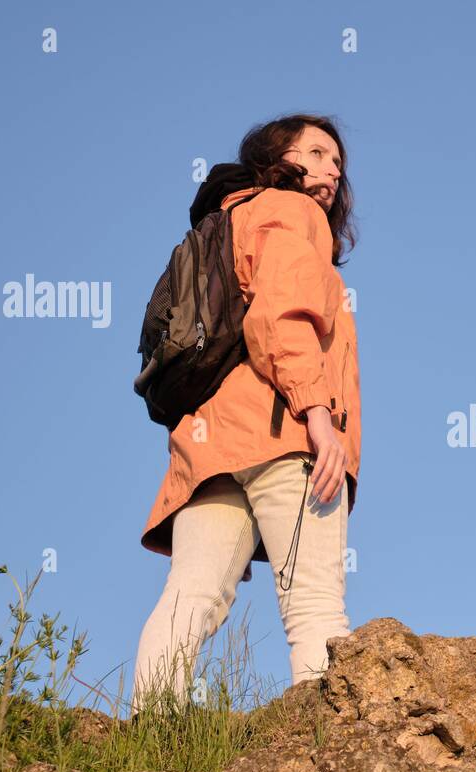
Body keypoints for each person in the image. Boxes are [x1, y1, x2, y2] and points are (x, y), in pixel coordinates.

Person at [131, 114, 362, 716]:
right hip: (284, 432)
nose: (332, 168)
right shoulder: (293, 213)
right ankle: (326, 749)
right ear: (277, 158)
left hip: (208, 445)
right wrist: (318, 416)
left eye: (338, 160)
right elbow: (279, 317)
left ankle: (149, 734)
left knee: (191, 596)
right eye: (316, 152)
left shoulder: (228, 219)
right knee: (313, 600)